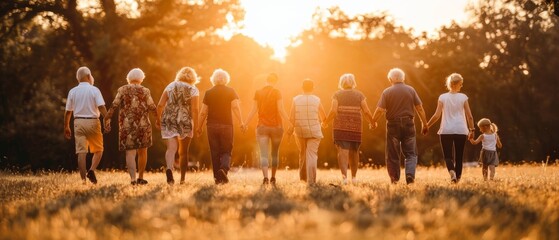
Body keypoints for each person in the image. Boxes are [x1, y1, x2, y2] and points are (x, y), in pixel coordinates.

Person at [370, 68, 429, 184]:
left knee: (393, 154)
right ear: (403, 78)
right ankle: (410, 176)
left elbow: (380, 110)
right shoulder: (411, 90)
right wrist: (425, 123)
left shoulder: (387, 92)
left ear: (391, 79)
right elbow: (420, 108)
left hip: (393, 125)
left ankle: (394, 179)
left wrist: (373, 122)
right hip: (409, 123)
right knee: (411, 153)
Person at [104, 68, 157, 185]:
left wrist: (106, 118)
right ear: (141, 79)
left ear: (129, 78)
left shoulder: (122, 89)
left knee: (130, 153)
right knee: (143, 151)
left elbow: (114, 105)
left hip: (126, 126)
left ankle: (133, 179)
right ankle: (141, 177)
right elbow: (152, 106)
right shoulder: (145, 91)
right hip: (143, 126)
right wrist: (158, 119)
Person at [323, 73, 374, 185]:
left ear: (341, 83)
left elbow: (333, 111)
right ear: (353, 83)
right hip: (356, 127)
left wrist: (325, 122)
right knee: (355, 151)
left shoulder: (337, 94)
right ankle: (354, 178)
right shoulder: (359, 95)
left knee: (342, 151)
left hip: (340, 127)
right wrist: (372, 122)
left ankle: (344, 178)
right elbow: (366, 111)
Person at [243, 73, 292, 185]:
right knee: (275, 152)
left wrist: (245, 123)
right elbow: (281, 109)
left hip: (262, 127)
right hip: (277, 127)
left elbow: (253, 109)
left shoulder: (258, 92)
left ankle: (265, 178)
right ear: (275, 82)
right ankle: (273, 177)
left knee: (263, 153)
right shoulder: (277, 92)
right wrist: (290, 123)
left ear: (266, 80)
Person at [197, 69, 244, 184]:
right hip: (227, 125)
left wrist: (199, 126)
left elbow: (203, 112)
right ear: (226, 79)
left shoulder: (209, 92)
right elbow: (235, 107)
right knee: (226, 150)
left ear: (214, 79)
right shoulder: (231, 91)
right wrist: (241, 121)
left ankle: (217, 179)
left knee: (214, 152)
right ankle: (223, 169)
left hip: (211, 126)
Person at [426, 73, 475, 183]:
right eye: (461, 84)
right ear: (457, 84)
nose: (461, 86)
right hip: (461, 130)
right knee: (459, 157)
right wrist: (472, 130)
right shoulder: (463, 97)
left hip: (446, 130)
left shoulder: (442, 97)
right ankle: (456, 180)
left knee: (448, 156)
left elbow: (437, 115)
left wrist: (427, 125)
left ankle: (451, 172)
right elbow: (470, 116)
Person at [156, 67, 200, 184]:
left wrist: (158, 119)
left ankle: (169, 169)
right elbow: (195, 109)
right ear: (193, 77)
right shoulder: (193, 89)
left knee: (171, 149)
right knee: (183, 152)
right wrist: (197, 125)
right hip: (185, 120)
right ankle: (182, 179)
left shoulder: (171, 85)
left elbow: (160, 105)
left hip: (169, 118)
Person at [64, 66, 107, 184]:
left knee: (81, 153)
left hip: (78, 122)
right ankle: (91, 170)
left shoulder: (72, 91)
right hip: (93, 122)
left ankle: (83, 182)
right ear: (88, 76)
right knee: (99, 150)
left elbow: (68, 112)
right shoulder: (94, 90)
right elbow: (101, 107)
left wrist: (66, 126)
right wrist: (107, 120)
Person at [287, 79, 326, 185]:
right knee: (312, 155)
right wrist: (324, 123)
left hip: (300, 131)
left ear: (302, 88)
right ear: (313, 88)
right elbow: (323, 116)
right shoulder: (317, 100)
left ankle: (303, 179)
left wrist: (289, 132)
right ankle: (312, 180)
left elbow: (292, 118)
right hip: (314, 131)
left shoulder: (296, 99)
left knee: (303, 154)